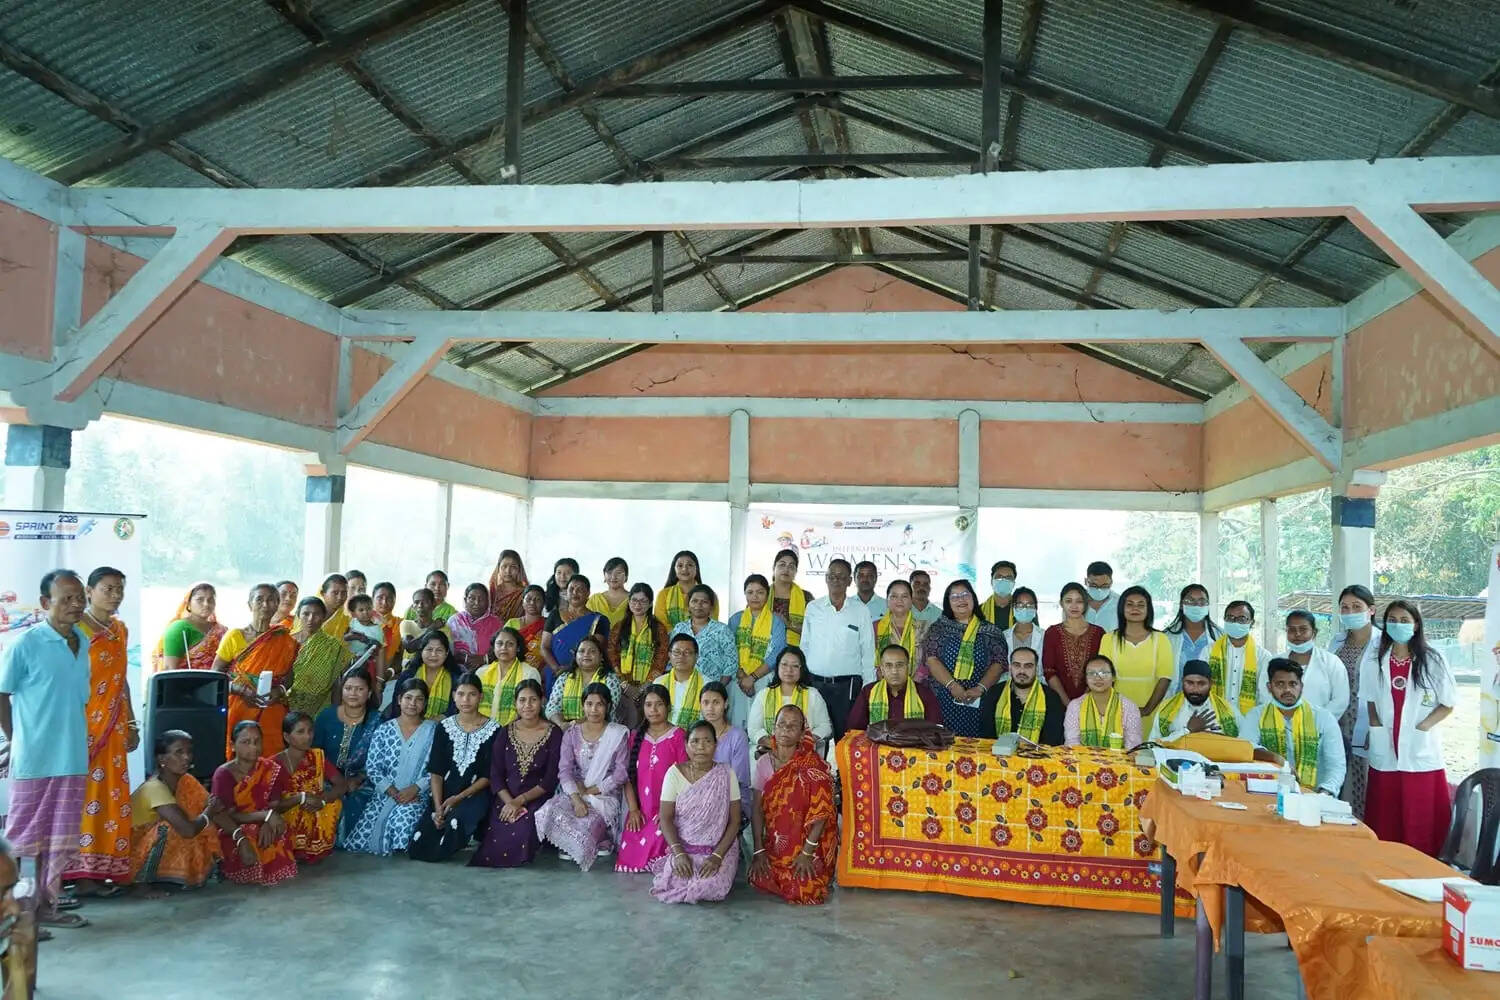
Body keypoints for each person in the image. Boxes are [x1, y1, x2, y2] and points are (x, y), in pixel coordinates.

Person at [0, 570, 91, 927]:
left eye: (80, 597)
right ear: (44, 604)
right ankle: (13, 920)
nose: (76, 604)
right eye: (66, 598)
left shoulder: (82, 641)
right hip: (34, 758)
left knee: (60, 841)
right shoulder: (25, 643)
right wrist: (15, 737)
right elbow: (2, 693)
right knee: (23, 841)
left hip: (72, 758)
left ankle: (45, 910)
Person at [1362, 600, 1456, 857]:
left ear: (1416, 625)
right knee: (1386, 817)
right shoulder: (1374, 658)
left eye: (1405, 620)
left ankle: (1420, 867)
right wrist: (1376, 726)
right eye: (1392, 620)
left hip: (1418, 750)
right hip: (1386, 749)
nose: (1398, 625)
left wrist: (1422, 727)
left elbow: (1448, 703)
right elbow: (1369, 699)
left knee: (1420, 818)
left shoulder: (1432, 658)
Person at [63, 567, 136, 894]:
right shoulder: (74, 631)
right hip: (83, 730)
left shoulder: (120, 630)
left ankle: (101, 871)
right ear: (89, 592)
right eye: (108, 588)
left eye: (120, 589)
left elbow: (122, 682)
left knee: (111, 800)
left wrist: (132, 722)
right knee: (82, 799)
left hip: (114, 728)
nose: (116, 594)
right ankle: (76, 875)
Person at [749, 704, 837, 905]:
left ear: (802, 733)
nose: (786, 730)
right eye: (781, 725)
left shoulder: (812, 766)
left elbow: (822, 813)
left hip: (810, 845)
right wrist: (758, 850)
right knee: (758, 877)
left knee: (804, 890)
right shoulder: (764, 763)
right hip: (779, 844)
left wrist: (806, 853)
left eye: (792, 726)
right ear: (774, 728)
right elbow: (756, 810)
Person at [535, 683, 630, 870]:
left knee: (587, 823)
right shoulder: (571, 733)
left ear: (609, 706)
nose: (594, 709)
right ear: (583, 705)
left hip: (605, 795)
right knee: (549, 810)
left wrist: (593, 790)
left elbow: (621, 773)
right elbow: (565, 770)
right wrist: (577, 799)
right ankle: (575, 842)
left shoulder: (617, 733)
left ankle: (602, 839)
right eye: (589, 704)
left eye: (600, 704)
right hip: (575, 792)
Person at [470, 679, 562, 868]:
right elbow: (495, 775)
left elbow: (550, 779)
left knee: (525, 828)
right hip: (505, 798)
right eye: (522, 700)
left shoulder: (554, 733)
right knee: (496, 837)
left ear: (542, 701)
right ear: (515, 703)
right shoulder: (505, 732)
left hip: (537, 797)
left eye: (533, 700)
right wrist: (509, 801)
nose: (527, 705)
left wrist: (519, 801)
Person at [409, 672, 498, 863]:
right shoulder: (444, 727)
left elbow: (488, 775)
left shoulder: (493, 729)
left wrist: (458, 798)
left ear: (481, 697)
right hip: (444, 791)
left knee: (456, 823)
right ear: (454, 696)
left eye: (472, 694)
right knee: (419, 844)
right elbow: (436, 770)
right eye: (461, 694)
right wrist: (438, 805)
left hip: (475, 792)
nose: (466, 700)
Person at [651, 720, 742, 904]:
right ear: (686, 745)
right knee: (675, 882)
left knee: (712, 887)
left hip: (719, 849)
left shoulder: (726, 774)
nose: (701, 747)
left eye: (707, 741)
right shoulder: (674, 773)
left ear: (715, 745)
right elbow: (666, 818)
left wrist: (717, 857)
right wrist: (678, 854)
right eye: (695, 741)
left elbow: (735, 821)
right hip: (684, 847)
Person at [343, 678, 437, 856]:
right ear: (399, 699)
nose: (412, 703)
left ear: (425, 703)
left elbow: (437, 768)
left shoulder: (433, 730)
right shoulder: (384, 730)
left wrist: (415, 789)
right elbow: (372, 767)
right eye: (408, 698)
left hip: (418, 796)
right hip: (385, 795)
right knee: (364, 839)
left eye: (419, 699)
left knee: (404, 819)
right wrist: (393, 792)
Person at [127, 730, 218, 896]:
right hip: (129, 852)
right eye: (179, 752)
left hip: (147, 844)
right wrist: (208, 813)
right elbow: (188, 830)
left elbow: (214, 807)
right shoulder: (154, 788)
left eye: (189, 752)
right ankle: (140, 885)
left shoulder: (186, 781)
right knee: (167, 829)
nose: (187, 758)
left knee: (191, 823)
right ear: (162, 759)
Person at [213, 583, 299, 758]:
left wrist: (280, 690)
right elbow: (215, 674)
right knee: (239, 756)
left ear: (277, 604)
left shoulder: (285, 639)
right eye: (259, 600)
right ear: (250, 604)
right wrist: (240, 690)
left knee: (271, 758)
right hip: (240, 705)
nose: (265, 605)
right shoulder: (235, 636)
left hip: (271, 706)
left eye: (271, 600)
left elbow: (289, 676)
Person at [209, 720, 296, 886]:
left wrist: (267, 821)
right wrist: (265, 816)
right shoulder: (224, 774)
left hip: (262, 821)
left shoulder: (271, 768)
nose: (253, 747)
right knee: (253, 834)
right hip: (232, 829)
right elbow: (226, 815)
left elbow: (274, 805)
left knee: (277, 828)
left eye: (257, 742)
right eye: (245, 742)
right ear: (232, 745)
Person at [1243, 659, 1345, 796]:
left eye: (1293, 684)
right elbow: (1246, 749)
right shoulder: (1256, 715)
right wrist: (1275, 758)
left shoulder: (1324, 718)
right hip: (1267, 792)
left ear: (1301, 686)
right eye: (1280, 684)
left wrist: (1324, 793)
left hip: (1314, 795)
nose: (1287, 690)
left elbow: (1336, 766)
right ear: (1269, 687)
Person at [921, 579, 1007, 737]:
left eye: (965, 594)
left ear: (973, 598)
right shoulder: (938, 629)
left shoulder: (990, 630)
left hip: (980, 699)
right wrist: (953, 686)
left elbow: (999, 662)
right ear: (948, 603)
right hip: (944, 699)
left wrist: (980, 688)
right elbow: (931, 659)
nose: (960, 599)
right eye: (954, 596)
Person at [616, 684, 688, 873]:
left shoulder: (678, 736)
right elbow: (627, 777)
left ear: (668, 707)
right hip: (641, 811)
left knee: (660, 838)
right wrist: (633, 810)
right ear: (643, 708)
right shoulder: (634, 737)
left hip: (669, 811)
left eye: (659, 704)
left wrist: (669, 812)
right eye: (648, 705)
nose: (653, 710)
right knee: (631, 849)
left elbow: (685, 776)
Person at [800, 559, 875, 735]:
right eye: (832, 576)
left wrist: (868, 688)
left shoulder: (860, 611)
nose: (836, 580)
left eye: (841, 577)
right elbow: (804, 645)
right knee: (813, 738)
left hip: (848, 687)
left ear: (850, 581)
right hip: (815, 683)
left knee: (848, 738)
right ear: (826, 578)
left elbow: (868, 651)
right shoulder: (813, 608)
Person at [312, 668, 380, 845]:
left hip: (363, 781)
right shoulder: (326, 716)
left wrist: (358, 778)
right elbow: (314, 752)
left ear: (369, 692)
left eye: (360, 689)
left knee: (359, 805)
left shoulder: (377, 720)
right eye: (348, 688)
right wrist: (335, 779)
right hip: (326, 777)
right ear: (342, 691)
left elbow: (380, 759)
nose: (353, 693)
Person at [1331, 584, 1379, 816]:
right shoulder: (1337, 643)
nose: (1350, 612)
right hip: (1340, 721)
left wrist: (1376, 725)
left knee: (1367, 780)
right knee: (1342, 777)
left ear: (1371, 610)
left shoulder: (1382, 644)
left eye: (1356, 607)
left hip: (1370, 722)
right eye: (1345, 607)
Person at [1097, 586, 1174, 731]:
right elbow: (1103, 677)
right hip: (1115, 711)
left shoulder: (1161, 639)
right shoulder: (1108, 639)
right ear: (1121, 608)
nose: (1135, 609)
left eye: (1141, 605)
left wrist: (1146, 710)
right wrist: (1112, 708)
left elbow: (1164, 678)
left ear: (1148, 609)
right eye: (1130, 604)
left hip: (1151, 712)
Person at [276, 712, 344, 864]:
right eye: (300, 732)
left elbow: (341, 784)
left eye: (310, 731)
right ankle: (292, 849)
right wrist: (301, 798)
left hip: (315, 806)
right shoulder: (274, 763)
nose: (307, 736)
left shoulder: (318, 756)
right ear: (287, 737)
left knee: (334, 804)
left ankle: (316, 849)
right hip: (287, 811)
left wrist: (322, 800)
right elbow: (271, 804)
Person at [747, 646, 835, 751]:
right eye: (784, 664)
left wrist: (806, 741)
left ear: (802, 669)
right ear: (777, 667)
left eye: (795, 666)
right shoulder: (764, 695)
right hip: (771, 753)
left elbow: (825, 726)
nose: (789, 670)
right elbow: (753, 729)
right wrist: (773, 744)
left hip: (804, 753)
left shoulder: (813, 694)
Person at [728, 575, 788, 729]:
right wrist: (742, 676)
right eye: (750, 592)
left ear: (767, 595)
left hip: (764, 679)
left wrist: (752, 677)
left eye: (760, 592)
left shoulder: (777, 622)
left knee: (760, 724)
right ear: (745, 594)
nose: (755, 596)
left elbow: (777, 653)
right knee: (737, 723)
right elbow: (729, 651)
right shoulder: (735, 620)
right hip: (738, 679)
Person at [608, 583, 669, 727]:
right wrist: (624, 684)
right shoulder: (619, 627)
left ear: (650, 604)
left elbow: (661, 658)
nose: (638, 604)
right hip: (622, 688)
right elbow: (612, 655)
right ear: (628, 602)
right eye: (634, 600)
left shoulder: (659, 628)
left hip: (649, 689)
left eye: (643, 601)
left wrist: (643, 688)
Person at [286, 597, 353, 719]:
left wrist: (335, 713)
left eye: (316, 614)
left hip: (319, 709)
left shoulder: (333, 646)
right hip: (285, 706)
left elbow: (337, 683)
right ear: (298, 615)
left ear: (323, 617)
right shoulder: (286, 642)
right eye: (306, 614)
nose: (311, 619)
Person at [982, 646, 1064, 744]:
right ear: (1010, 667)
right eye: (1017, 665)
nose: (1022, 671)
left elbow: (1053, 741)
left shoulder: (1051, 698)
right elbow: (986, 736)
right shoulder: (994, 694)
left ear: (1036, 669)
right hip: (999, 755)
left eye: (1028, 666)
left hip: (1038, 757)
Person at [847, 645, 940, 731]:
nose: (894, 671)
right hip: (876, 747)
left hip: (913, 747)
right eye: (888, 665)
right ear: (882, 669)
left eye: (900, 665)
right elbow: (855, 730)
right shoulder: (868, 692)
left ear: (908, 667)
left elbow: (936, 731)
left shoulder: (924, 694)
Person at [1064, 655, 1143, 749]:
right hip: (1082, 762)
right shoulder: (1075, 706)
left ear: (1113, 677)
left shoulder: (1129, 707)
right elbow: (1072, 743)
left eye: (1104, 673)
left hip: (1120, 762)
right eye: (1092, 673)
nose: (1098, 678)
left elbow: (1133, 746)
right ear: (1085, 679)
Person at [1043, 582, 1105, 702]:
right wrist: (1067, 703)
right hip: (1060, 702)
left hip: (1093, 700)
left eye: (1079, 601)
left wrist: (1083, 701)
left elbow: (1101, 669)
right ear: (1061, 603)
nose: (1074, 606)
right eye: (1068, 601)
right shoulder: (1052, 633)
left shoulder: (1099, 633)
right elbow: (1049, 671)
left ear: (1086, 604)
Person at [545, 634, 623, 728]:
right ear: (575, 656)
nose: (586, 654)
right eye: (582, 651)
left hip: (602, 730)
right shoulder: (564, 678)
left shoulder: (610, 679)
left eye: (592, 651)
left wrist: (575, 725)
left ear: (601, 656)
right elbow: (552, 707)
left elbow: (606, 710)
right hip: (566, 729)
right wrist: (561, 724)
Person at [1283, 610, 1349, 718]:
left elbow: (1340, 700)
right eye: (1292, 630)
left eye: (1303, 629)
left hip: (1320, 728)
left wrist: (1317, 722)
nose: (1297, 634)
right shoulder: (1274, 662)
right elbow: (1266, 695)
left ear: (1314, 632)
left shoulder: (1331, 662)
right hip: (1281, 727)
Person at [1153, 659, 1242, 740]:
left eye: (1201, 684)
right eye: (1190, 683)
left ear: (1211, 684)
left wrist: (1215, 738)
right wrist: (1187, 731)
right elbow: (1153, 744)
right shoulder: (1165, 710)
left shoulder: (1229, 711)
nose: (1195, 689)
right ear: (1182, 681)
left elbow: (1245, 744)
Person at [670, 584, 738, 688]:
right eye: (694, 601)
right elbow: (671, 657)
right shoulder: (679, 628)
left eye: (704, 602)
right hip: (680, 686)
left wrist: (717, 689)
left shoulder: (722, 630)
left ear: (711, 606)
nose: (699, 605)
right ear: (688, 604)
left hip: (711, 689)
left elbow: (731, 662)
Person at [387, 629, 462, 721]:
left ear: (446, 654)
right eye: (429, 649)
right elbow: (396, 708)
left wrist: (434, 722)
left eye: (439, 650)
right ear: (421, 651)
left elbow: (456, 710)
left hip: (441, 729)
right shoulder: (407, 676)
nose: (433, 654)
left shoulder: (455, 679)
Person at [1207, 600, 1267, 714]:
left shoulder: (1263, 656)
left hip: (1249, 719)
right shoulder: (1209, 651)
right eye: (1230, 618)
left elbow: (1264, 695)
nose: (1235, 623)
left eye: (1242, 619)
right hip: (1213, 718)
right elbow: (1201, 685)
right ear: (1224, 620)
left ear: (1252, 622)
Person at [153, 582, 226, 672]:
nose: (206, 604)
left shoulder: (221, 630)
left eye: (210, 600)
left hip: (217, 684)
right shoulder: (179, 628)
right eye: (200, 600)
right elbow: (169, 668)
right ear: (188, 603)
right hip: (185, 683)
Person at [542, 574, 608, 671]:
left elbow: (597, 651)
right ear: (566, 593)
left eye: (580, 589)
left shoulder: (598, 620)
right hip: (555, 673)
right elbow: (544, 647)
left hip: (586, 673)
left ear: (588, 593)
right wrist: (556, 668)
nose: (575, 592)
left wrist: (571, 669)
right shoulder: (554, 615)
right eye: (571, 589)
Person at [478, 627, 542, 725]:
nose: (504, 648)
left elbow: (533, 707)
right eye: (499, 643)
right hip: (482, 729)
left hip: (517, 728)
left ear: (518, 648)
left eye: (510, 644)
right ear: (494, 647)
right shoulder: (481, 672)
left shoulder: (529, 673)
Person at [699, 682, 751, 795]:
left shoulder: (738, 736)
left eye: (716, 702)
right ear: (700, 705)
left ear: (726, 704)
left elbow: (739, 780)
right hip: (701, 797)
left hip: (732, 799)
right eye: (705, 702)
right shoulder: (695, 735)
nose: (710, 708)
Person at [1164, 584, 1219, 682]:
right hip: (1174, 696)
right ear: (1181, 605)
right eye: (1190, 601)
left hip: (1210, 696)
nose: (1196, 605)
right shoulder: (1167, 637)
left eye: (1202, 601)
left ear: (1208, 605)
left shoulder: (1220, 637)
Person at [872, 580, 925, 675]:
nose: (899, 600)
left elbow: (928, 660)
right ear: (887, 600)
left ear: (911, 600)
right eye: (894, 596)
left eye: (904, 596)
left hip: (917, 684)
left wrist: (915, 681)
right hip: (883, 683)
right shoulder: (876, 627)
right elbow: (870, 659)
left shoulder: (924, 628)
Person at [448, 583, 501, 671]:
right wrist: (465, 659)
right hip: (456, 670)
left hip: (488, 670)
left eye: (481, 599)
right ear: (465, 600)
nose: (476, 603)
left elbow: (502, 649)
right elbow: (445, 649)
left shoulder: (496, 623)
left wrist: (484, 659)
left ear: (488, 602)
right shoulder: (454, 621)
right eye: (472, 598)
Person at [656, 550, 717, 627]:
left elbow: (714, 625)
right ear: (674, 569)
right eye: (680, 565)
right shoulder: (664, 594)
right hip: (671, 638)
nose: (684, 569)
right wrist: (679, 637)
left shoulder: (710, 595)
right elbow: (661, 624)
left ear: (696, 569)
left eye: (690, 565)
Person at [659, 634, 708, 729]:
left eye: (687, 652)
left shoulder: (707, 685)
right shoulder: (659, 683)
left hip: (696, 739)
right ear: (669, 655)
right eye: (676, 652)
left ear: (696, 656)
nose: (681, 656)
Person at [505, 584, 549, 674]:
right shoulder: (512, 623)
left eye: (537, 600)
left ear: (544, 603)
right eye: (528, 599)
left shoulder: (549, 624)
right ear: (522, 602)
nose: (532, 603)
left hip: (542, 672)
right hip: (514, 670)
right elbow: (504, 647)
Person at [371, 581, 403, 691]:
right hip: (361, 678)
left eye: (389, 598)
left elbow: (400, 657)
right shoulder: (361, 622)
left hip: (389, 678)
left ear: (395, 601)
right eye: (380, 598)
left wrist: (390, 672)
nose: (384, 602)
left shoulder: (400, 624)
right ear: (372, 599)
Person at [1002, 586, 1043, 671]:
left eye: (1029, 605)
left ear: (1035, 610)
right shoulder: (1003, 637)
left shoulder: (1045, 636)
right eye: (1020, 605)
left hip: (1038, 682)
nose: (1025, 609)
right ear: (1013, 609)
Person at [400, 588, 450, 657]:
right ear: (412, 607)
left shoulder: (443, 628)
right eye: (416, 602)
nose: (420, 605)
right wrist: (432, 628)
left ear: (434, 605)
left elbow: (446, 654)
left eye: (425, 602)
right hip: (410, 667)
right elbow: (410, 647)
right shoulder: (407, 624)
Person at [586, 557, 632, 629]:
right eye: (609, 573)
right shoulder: (595, 600)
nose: (613, 577)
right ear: (604, 575)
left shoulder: (634, 600)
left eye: (618, 573)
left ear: (626, 576)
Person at [487, 549, 530, 623]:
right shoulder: (491, 593)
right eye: (504, 566)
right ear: (498, 568)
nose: (508, 571)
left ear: (519, 569)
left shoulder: (525, 594)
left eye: (513, 567)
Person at [344, 593, 385, 665]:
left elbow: (379, 648)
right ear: (354, 614)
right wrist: (355, 637)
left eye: (369, 608)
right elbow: (344, 638)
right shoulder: (352, 623)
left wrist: (371, 644)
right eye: (361, 610)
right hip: (346, 659)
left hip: (365, 662)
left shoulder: (377, 629)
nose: (365, 612)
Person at [980, 560, 1017, 629]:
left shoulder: (1024, 611)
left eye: (1008, 578)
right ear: (991, 582)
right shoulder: (979, 611)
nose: (1003, 580)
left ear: (1013, 583)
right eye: (999, 577)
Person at [1083, 561, 1119, 628]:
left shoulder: (1119, 603)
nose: (1099, 590)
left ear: (1111, 582)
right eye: (1094, 585)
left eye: (1104, 586)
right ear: (1085, 581)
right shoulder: (1075, 601)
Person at [317, 574, 351, 643]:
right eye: (335, 593)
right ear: (323, 593)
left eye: (344, 593)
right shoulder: (307, 614)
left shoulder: (348, 622)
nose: (340, 597)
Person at [852, 560, 887, 624]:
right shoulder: (846, 604)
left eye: (870, 575)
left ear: (876, 578)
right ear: (854, 578)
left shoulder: (887, 606)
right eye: (861, 575)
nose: (865, 579)